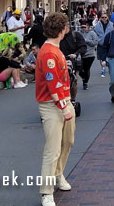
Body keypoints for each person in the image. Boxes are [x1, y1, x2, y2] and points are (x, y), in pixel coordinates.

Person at [36, 12, 75, 206]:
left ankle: (58, 174)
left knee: (67, 142)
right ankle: (46, 191)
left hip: (63, 101)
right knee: (52, 149)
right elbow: (53, 83)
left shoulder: (54, 49)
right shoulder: (50, 52)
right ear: (62, 30)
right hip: (53, 105)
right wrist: (64, 107)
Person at [79, 20, 98, 90]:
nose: (83, 28)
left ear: (88, 27)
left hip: (90, 54)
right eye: (82, 27)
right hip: (81, 54)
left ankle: (85, 83)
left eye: (84, 27)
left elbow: (95, 42)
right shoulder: (79, 33)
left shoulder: (92, 33)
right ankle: (84, 77)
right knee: (80, 69)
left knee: (87, 69)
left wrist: (87, 41)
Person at [94, 12, 113, 77]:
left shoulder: (112, 25)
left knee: (110, 57)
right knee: (101, 57)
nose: (104, 18)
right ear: (100, 18)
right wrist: (97, 40)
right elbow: (95, 34)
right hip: (101, 43)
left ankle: (110, 67)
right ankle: (103, 69)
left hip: (109, 44)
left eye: (105, 17)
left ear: (107, 18)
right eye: (103, 17)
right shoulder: (97, 25)